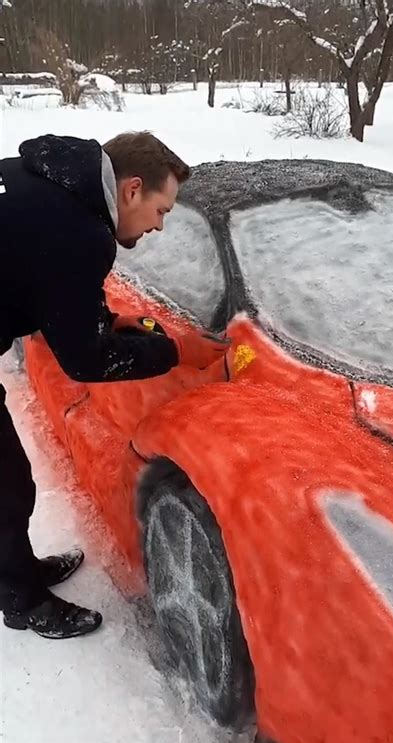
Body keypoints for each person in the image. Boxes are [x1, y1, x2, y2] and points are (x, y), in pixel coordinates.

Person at [0, 130, 231, 640]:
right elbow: (83, 362)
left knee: (8, 481)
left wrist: (106, 317)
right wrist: (175, 351)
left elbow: (45, 278)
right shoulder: (81, 233)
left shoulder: (49, 183)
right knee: (6, 484)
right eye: (161, 210)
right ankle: (19, 600)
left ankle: (15, 574)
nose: (160, 226)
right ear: (131, 190)